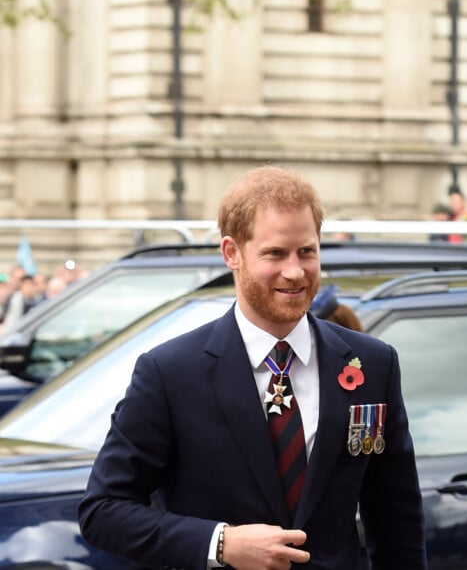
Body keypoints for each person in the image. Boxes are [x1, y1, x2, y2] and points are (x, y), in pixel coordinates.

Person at [78, 165, 427, 569]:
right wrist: (222, 543)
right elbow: (103, 511)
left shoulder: (373, 364)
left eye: (307, 252)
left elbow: (396, 517)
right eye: (275, 253)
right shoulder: (170, 373)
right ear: (232, 253)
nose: (295, 271)